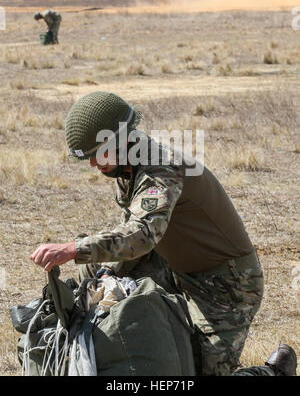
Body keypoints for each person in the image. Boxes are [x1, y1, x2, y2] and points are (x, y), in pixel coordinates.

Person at [30, 91, 298, 376]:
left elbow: (142, 234)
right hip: (174, 268)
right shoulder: (128, 167)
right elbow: (131, 230)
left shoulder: (161, 170)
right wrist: (107, 271)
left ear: (120, 140)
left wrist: (74, 249)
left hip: (226, 283)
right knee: (98, 272)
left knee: (196, 372)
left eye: (97, 155)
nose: (94, 165)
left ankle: (275, 372)